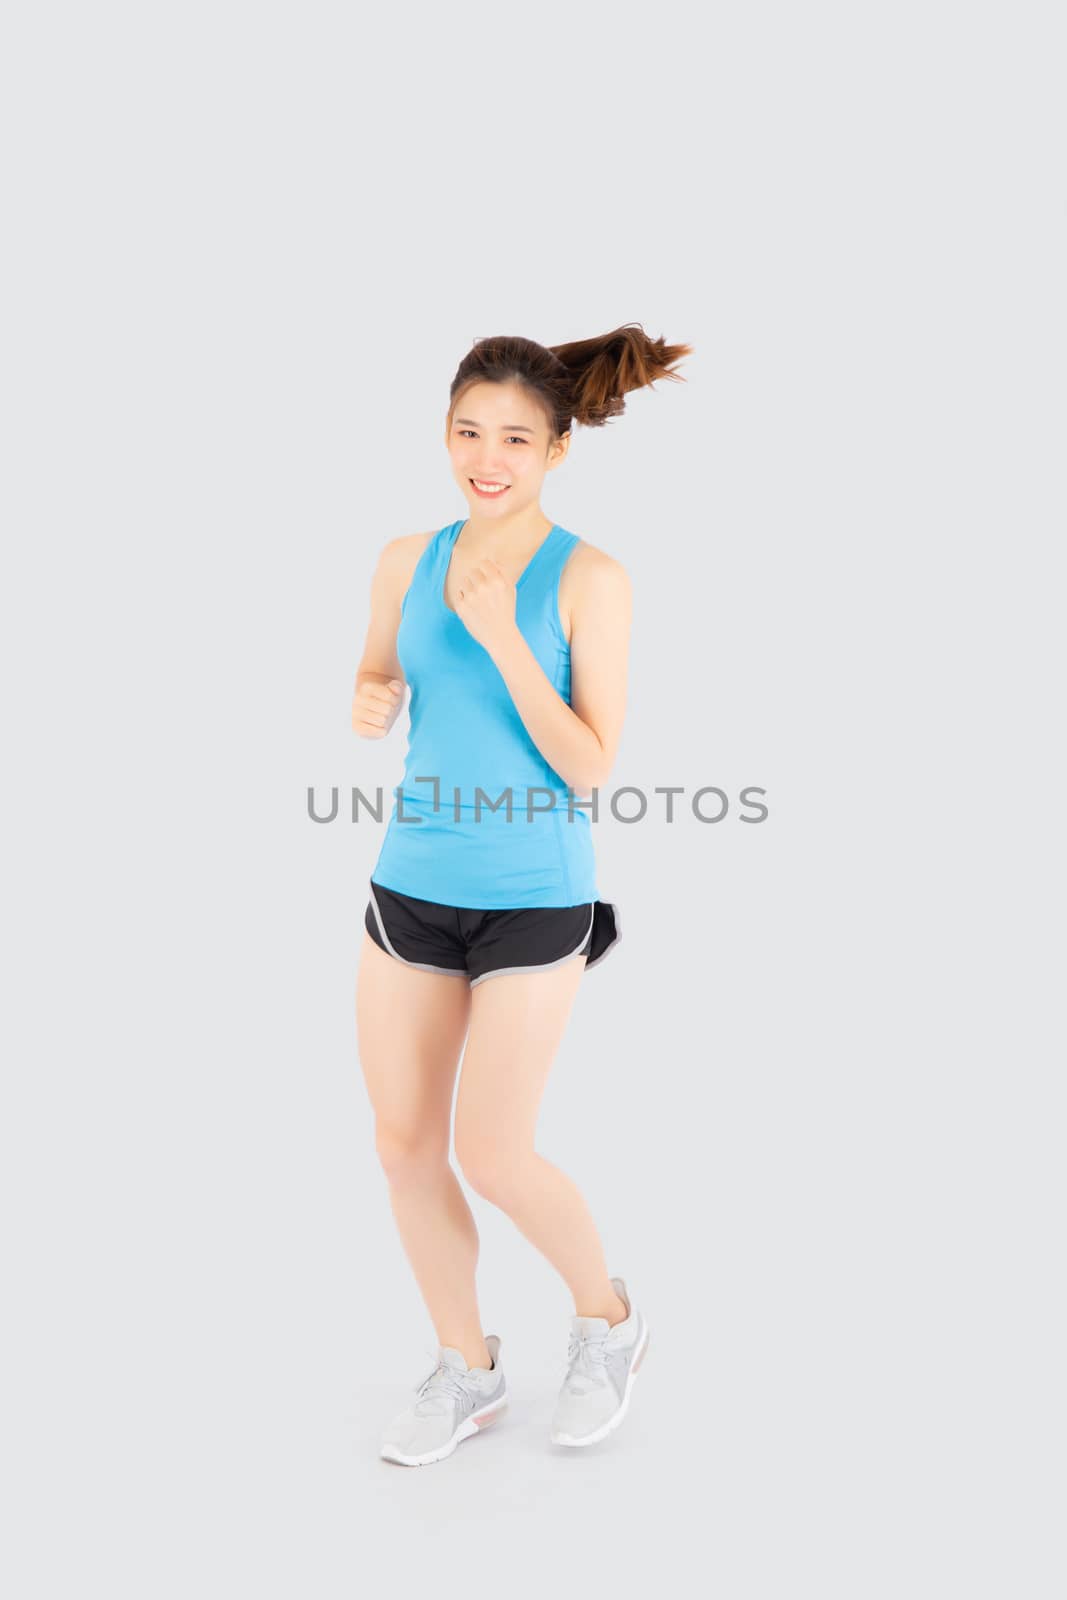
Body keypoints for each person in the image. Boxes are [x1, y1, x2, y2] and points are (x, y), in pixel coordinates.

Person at [352, 326, 692, 1466]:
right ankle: (467, 1364)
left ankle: (607, 1319)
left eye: (512, 439)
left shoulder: (591, 577)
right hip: (410, 882)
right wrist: (367, 690)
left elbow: (592, 762)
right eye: (465, 433)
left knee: (493, 1153)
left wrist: (502, 639)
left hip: (534, 894)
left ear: (554, 450)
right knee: (405, 1146)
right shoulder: (406, 555)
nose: (484, 459)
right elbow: (382, 664)